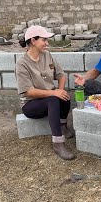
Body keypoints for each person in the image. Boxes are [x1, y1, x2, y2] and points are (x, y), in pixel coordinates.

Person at [15, 25, 75, 160]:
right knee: (53, 98)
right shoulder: (22, 63)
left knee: (64, 95)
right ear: (33, 41)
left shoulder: (47, 55)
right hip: (30, 105)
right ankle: (58, 143)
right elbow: (28, 92)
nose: (47, 43)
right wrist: (54, 93)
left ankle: (63, 125)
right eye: (44, 40)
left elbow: (61, 75)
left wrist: (59, 90)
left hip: (48, 98)